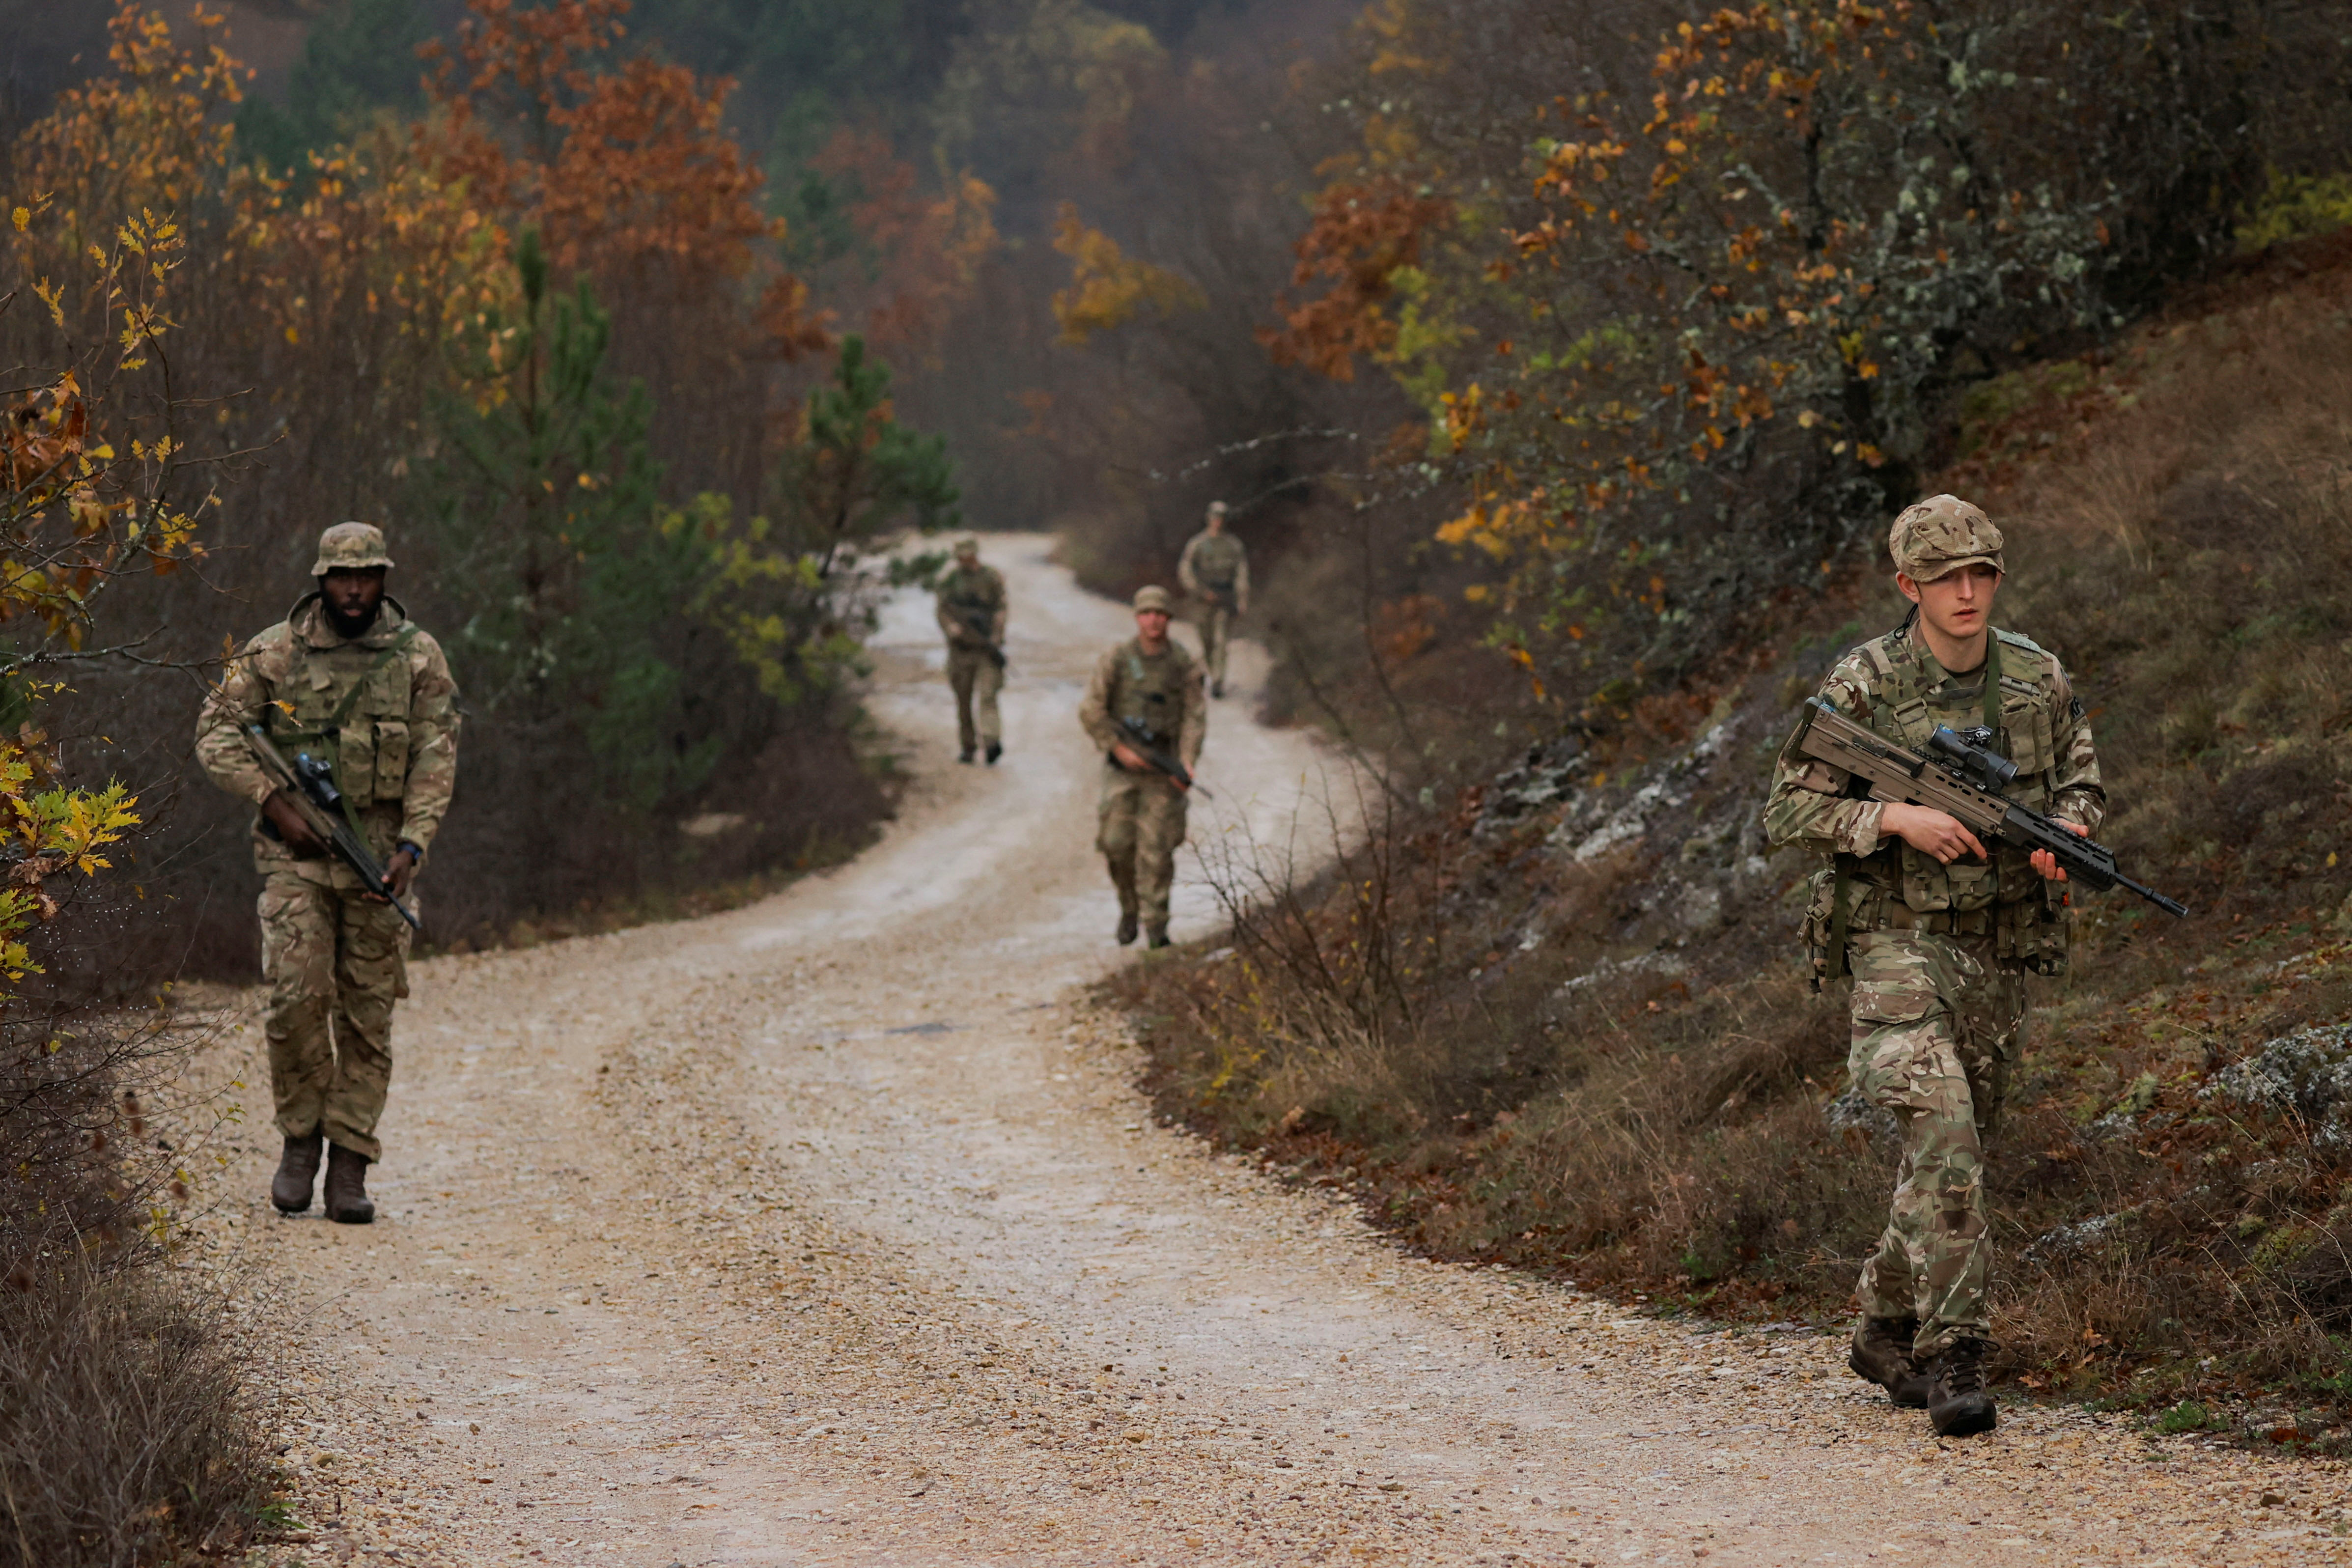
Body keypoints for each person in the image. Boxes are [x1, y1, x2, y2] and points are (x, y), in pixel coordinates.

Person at [1764, 495, 2102, 1438]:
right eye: (1946, 576)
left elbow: (2080, 774)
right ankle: (1956, 1358)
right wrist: (1891, 817)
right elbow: (1784, 812)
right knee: (1945, 1134)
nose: (1966, 591)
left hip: (1997, 946)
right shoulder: (1866, 684)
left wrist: (2070, 832)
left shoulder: (2036, 678)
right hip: (1894, 944)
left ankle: (1880, 1323)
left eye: (1981, 573)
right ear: (1907, 583)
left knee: (1951, 1158)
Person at [195, 523, 459, 1225]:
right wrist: (273, 802)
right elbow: (215, 733)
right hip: (297, 861)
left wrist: (413, 845)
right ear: (320, 578)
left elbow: (437, 755)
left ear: (384, 579)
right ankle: (300, 1144)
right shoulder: (275, 652)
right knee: (294, 999)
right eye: (341, 575)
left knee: (368, 1018)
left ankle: (350, 1161)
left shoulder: (418, 658)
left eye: (366, 575)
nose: (353, 588)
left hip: (380, 864)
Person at [1078, 586, 1206, 949]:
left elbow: (1195, 715)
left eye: (1161, 614)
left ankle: (1157, 928)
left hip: (1163, 772)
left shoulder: (1183, 663)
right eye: (1147, 613)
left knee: (1158, 850)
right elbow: (1091, 709)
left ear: (1169, 619)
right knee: (1116, 845)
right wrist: (1117, 747)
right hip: (1122, 770)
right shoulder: (1117, 659)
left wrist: (1187, 761)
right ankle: (1130, 908)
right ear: (1137, 617)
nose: (1154, 620)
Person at [936, 536, 1008, 764]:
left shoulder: (991, 578)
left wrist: (996, 635)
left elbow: (1002, 608)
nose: (966, 560)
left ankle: (991, 742)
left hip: (986, 650)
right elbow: (941, 610)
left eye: (969, 555)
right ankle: (968, 746)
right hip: (961, 651)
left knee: (988, 696)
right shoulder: (950, 581)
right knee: (963, 700)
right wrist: (951, 628)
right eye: (962, 556)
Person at [1176, 500, 1249, 699]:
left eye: (1223, 518)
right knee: (1206, 639)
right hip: (1203, 599)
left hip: (1225, 597)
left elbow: (1241, 573)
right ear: (1209, 518)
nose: (1219, 522)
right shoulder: (1198, 544)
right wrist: (1198, 591)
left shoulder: (1233, 546)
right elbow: (1186, 570)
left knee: (1220, 640)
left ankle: (1218, 681)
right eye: (1216, 517)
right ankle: (1211, 672)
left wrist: (1242, 598)